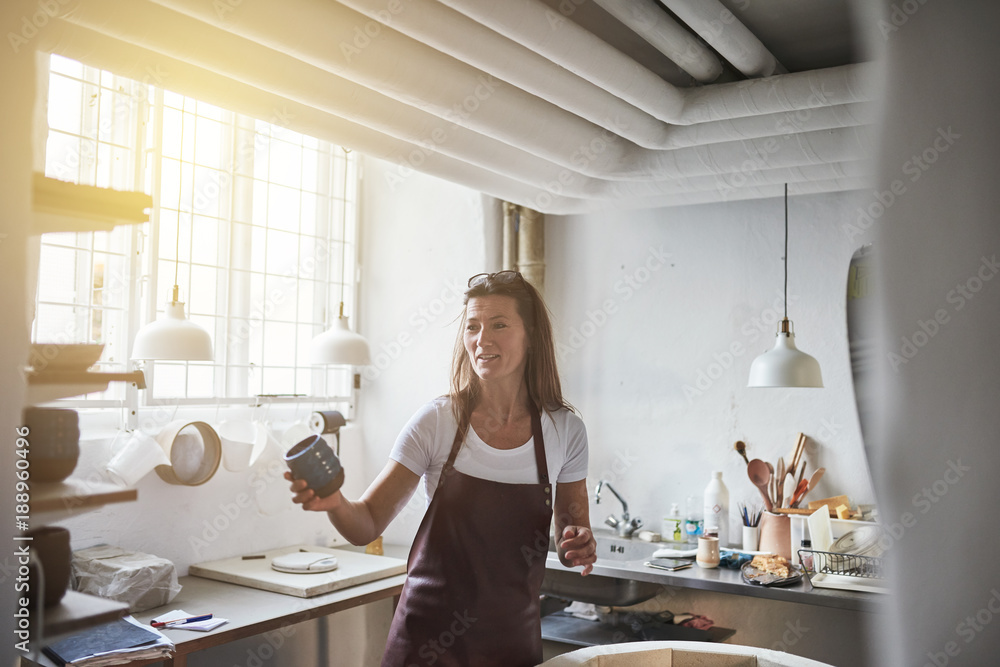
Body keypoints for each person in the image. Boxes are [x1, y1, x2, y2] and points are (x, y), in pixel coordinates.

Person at [287, 270, 596, 667]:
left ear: (531, 335)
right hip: (427, 642)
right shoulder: (437, 421)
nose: (482, 339)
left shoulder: (565, 431)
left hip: (512, 644)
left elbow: (573, 538)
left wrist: (579, 544)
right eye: (472, 326)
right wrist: (333, 502)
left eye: (499, 325)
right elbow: (365, 524)